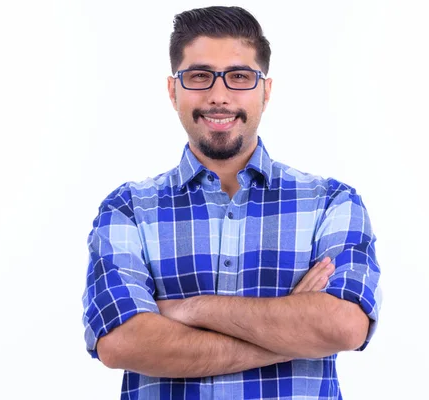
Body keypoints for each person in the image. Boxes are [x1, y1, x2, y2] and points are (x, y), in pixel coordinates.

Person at [82, 5, 381, 399]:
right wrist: (290, 333)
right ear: (173, 91)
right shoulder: (128, 210)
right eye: (199, 76)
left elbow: (343, 327)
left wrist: (191, 310)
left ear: (265, 91)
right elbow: (122, 342)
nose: (219, 96)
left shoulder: (330, 203)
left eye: (239, 76)